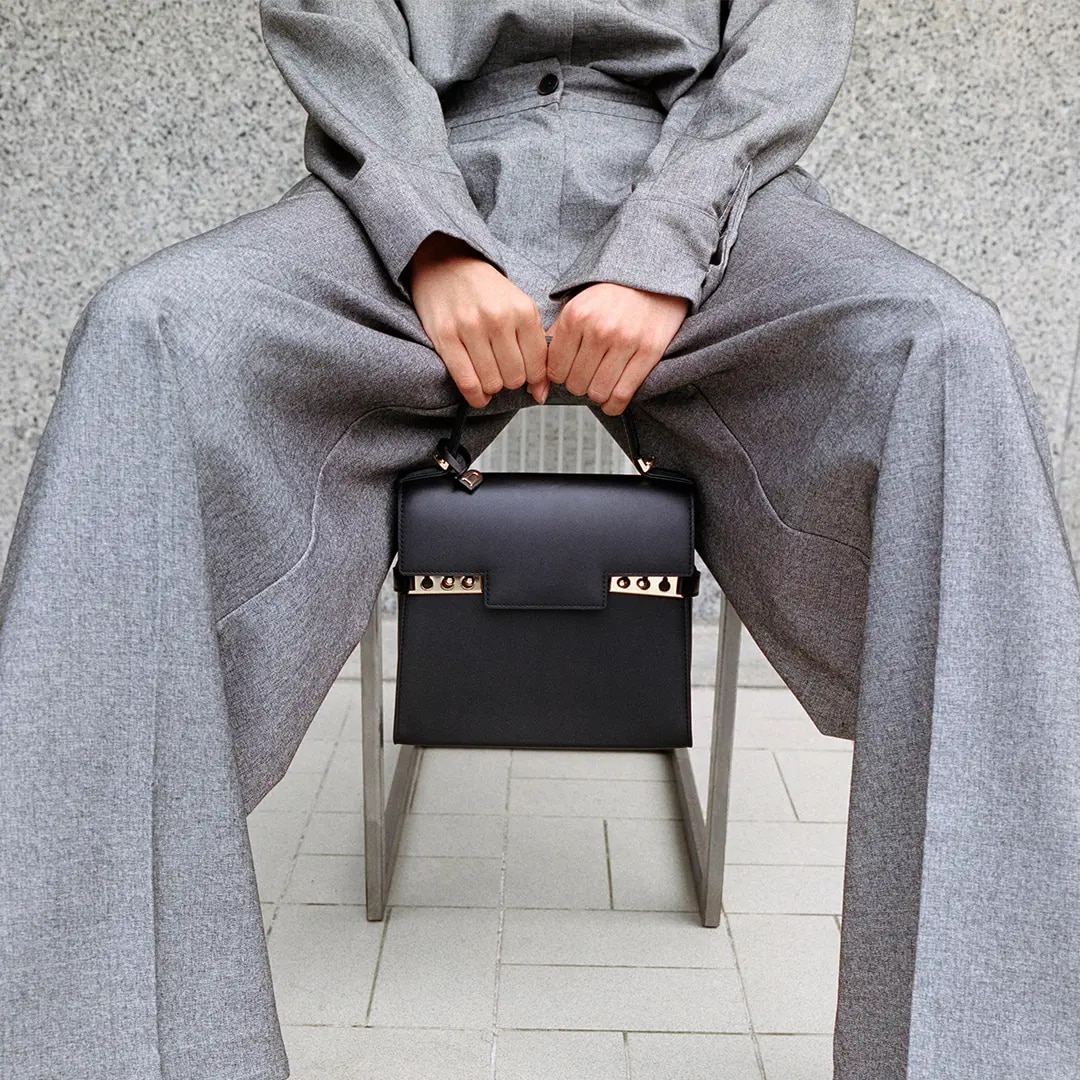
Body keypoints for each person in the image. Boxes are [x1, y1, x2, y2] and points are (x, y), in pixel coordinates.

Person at [1, 0, 1078, 1077]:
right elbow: (336, 24)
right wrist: (429, 235)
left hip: (706, 186)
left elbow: (784, 40)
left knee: (946, 355)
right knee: (144, 338)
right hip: (421, 174)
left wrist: (666, 241)